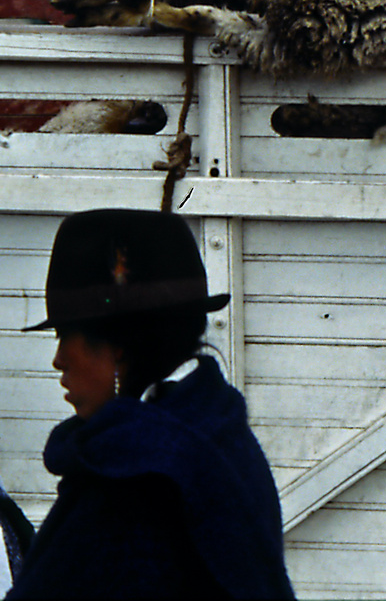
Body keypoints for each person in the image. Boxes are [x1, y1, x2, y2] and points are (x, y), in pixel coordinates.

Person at [7, 208, 294, 599]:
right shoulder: (221, 440)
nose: (58, 358)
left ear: (121, 347)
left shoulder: (129, 482)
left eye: (65, 333)